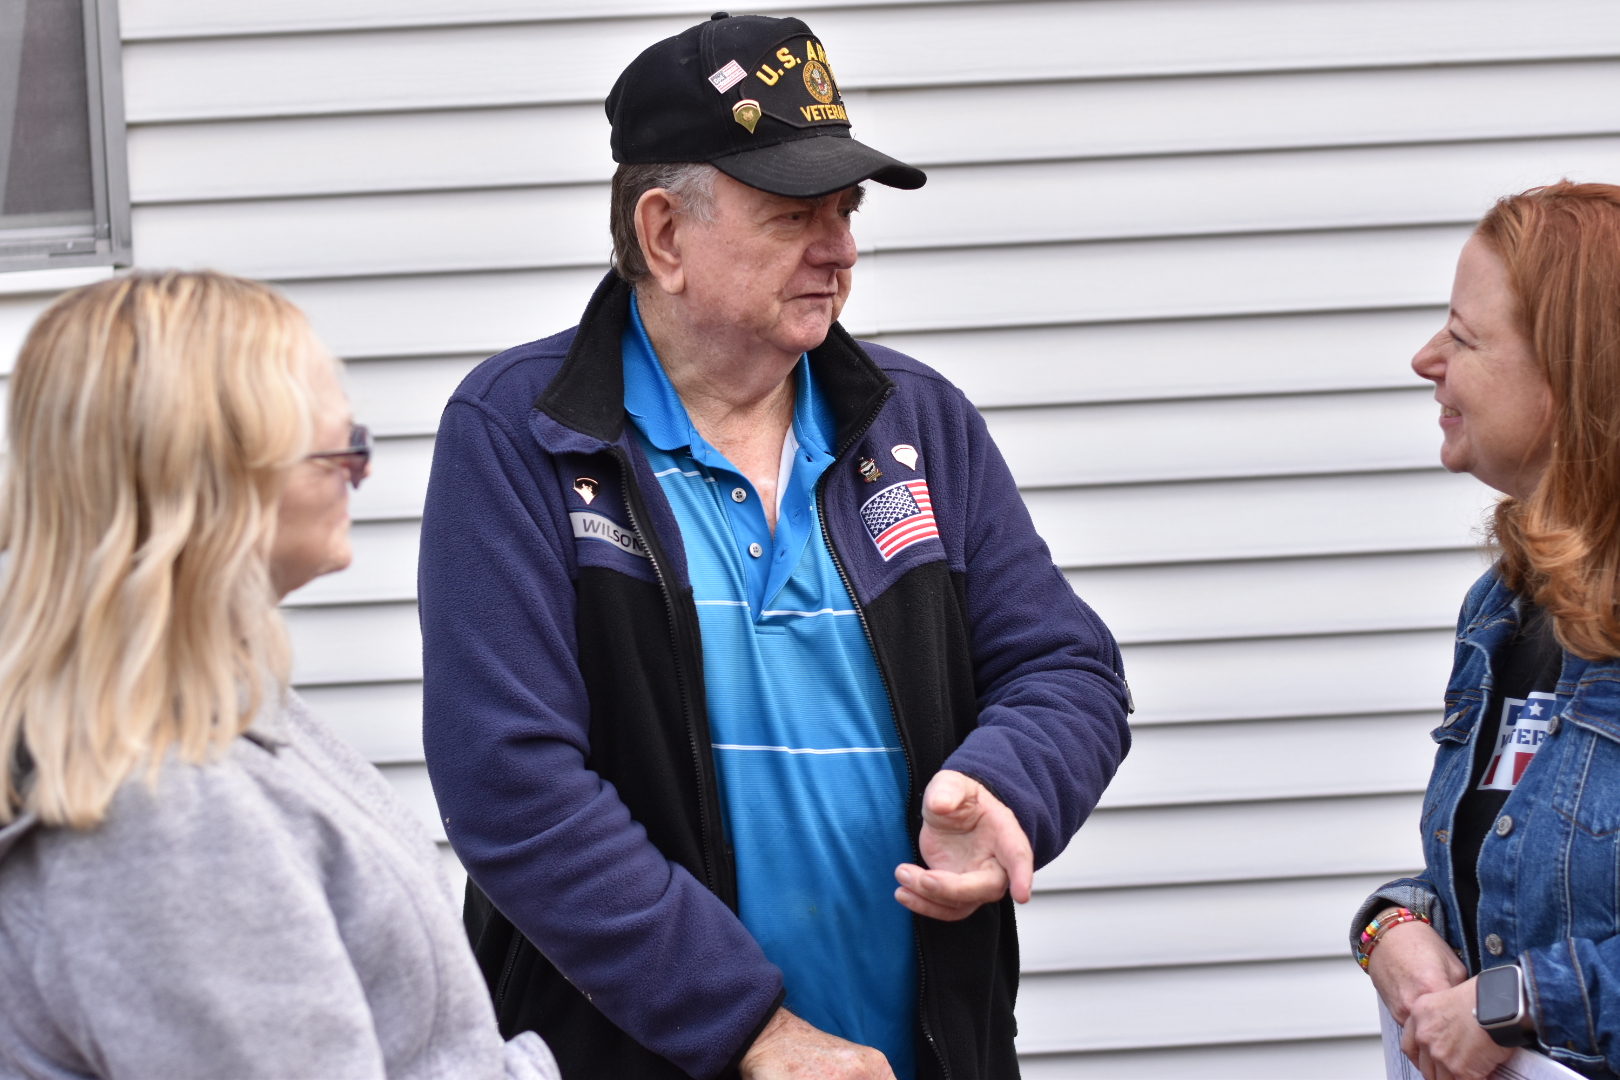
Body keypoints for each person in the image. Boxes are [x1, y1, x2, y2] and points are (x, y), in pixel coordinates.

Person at [419, 13, 1131, 1080]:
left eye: (844, 210)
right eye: (795, 213)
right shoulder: (520, 434)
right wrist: (749, 1030)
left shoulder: (917, 425)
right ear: (664, 234)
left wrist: (1007, 785)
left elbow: (1066, 668)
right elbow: (511, 785)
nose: (840, 247)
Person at [0, 271, 560, 1080]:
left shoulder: (225, 722)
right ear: (202, 478)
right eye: (338, 450)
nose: (360, 475)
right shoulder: (166, 811)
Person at [1353, 182, 1620, 1080]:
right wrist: (1390, 926)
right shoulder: (1503, 610)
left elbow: (1530, 969)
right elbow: (1509, 889)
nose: (1426, 359)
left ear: (1573, 370)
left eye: (1464, 339)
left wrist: (1520, 1000)